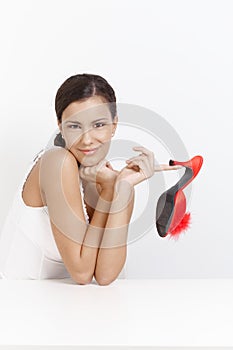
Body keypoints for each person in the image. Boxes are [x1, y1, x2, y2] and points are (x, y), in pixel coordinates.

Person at [0, 73, 181, 284]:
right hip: (17, 303)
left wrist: (122, 188)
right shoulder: (57, 162)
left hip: (69, 305)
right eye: (75, 126)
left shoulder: (105, 177)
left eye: (98, 125)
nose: (87, 140)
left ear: (114, 125)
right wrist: (108, 195)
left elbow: (105, 275)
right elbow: (82, 273)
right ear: (60, 126)